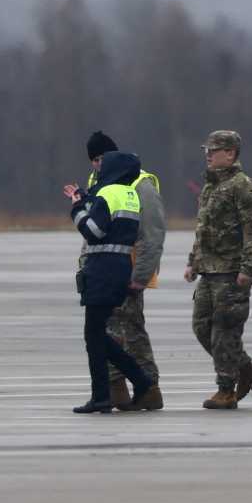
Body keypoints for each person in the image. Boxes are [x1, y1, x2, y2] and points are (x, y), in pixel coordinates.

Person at [65, 150, 158, 414]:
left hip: (102, 269)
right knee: (97, 334)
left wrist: (76, 209)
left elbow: (93, 231)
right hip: (120, 269)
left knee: (93, 335)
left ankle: (103, 396)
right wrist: (87, 200)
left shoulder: (107, 194)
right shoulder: (129, 194)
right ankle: (140, 380)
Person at [182, 128, 252, 408]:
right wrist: (193, 262)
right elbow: (203, 229)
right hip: (209, 269)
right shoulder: (211, 186)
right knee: (201, 326)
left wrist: (249, 269)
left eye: (213, 151)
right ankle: (246, 369)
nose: (208, 155)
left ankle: (226, 389)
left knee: (224, 331)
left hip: (231, 271)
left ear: (230, 153)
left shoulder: (243, 186)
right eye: (207, 150)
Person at [83, 131, 165, 409]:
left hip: (128, 270)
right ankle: (116, 387)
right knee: (106, 331)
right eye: (93, 160)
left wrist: (141, 275)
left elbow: (153, 234)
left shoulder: (142, 184)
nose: (96, 165)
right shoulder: (98, 182)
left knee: (132, 329)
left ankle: (149, 387)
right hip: (101, 271)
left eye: (101, 158)